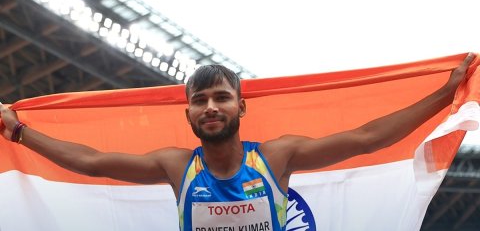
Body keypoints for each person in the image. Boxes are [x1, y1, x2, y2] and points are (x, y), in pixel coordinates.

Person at [0, 53, 476, 231]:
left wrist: (442, 94)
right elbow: (91, 161)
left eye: (222, 97)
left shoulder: (275, 158)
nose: (211, 107)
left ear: (240, 108)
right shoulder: (176, 166)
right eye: (200, 99)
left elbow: (367, 138)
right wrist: (18, 131)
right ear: (187, 112)